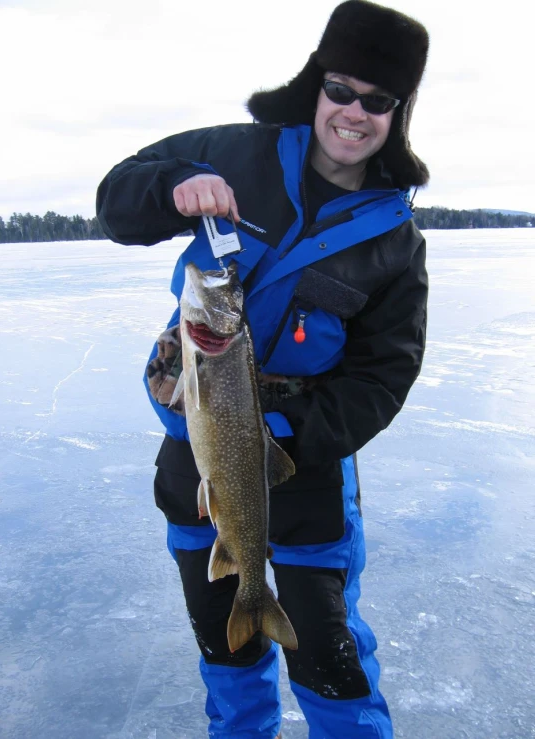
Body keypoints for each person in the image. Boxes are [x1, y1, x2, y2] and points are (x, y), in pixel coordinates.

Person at [96, 1, 430, 736]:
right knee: (225, 645)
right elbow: (116, 199)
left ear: (397, 114)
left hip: (304, 466)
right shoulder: (237, 154)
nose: (353, 112)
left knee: (330, 657)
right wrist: (173, 183)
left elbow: (385, 375)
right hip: (196, 454)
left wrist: (279, 431)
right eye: (340, 88)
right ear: (315, 86)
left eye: (378, 101)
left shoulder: (395, 239)